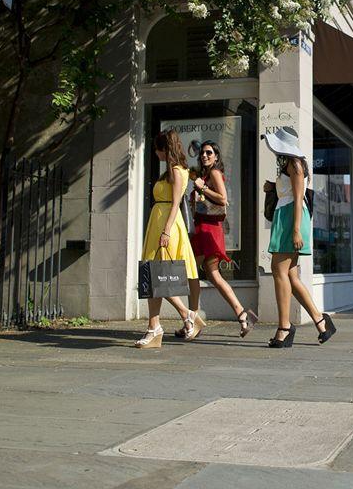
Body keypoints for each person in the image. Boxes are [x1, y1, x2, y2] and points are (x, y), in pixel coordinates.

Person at [262, 126, 336, 348]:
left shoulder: (295, 164)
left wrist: (295, 230)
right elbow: (288, 193)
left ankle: (284, 327)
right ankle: (321, 321)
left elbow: (298, 197)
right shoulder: (289, 164)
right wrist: (273, 186)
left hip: (291, 219)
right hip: (284, 217)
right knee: (291, 277)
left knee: (279, 270)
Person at [135, 130, 204, 348]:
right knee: (151, 274)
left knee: (157, 276)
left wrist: (165, 231)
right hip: (159, 223)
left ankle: (186, 315)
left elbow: (175, 204)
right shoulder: (172, 171)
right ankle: (153, 327)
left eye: (157, 148)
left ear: (165, 148)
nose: (155, 153)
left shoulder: (176, 171)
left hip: (167, 225)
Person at [184, 139, 258, 337]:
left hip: (208, 230)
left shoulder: (214, 173)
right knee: (214, 276)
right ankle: (242, 315)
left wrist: (201, 188)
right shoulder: (204, 175)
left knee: (191, 272)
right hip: (205, 229)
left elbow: (223, 199)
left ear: (216, 157)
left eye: (209, 153)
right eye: (203, 153)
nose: (205, 155)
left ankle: (192, 321)